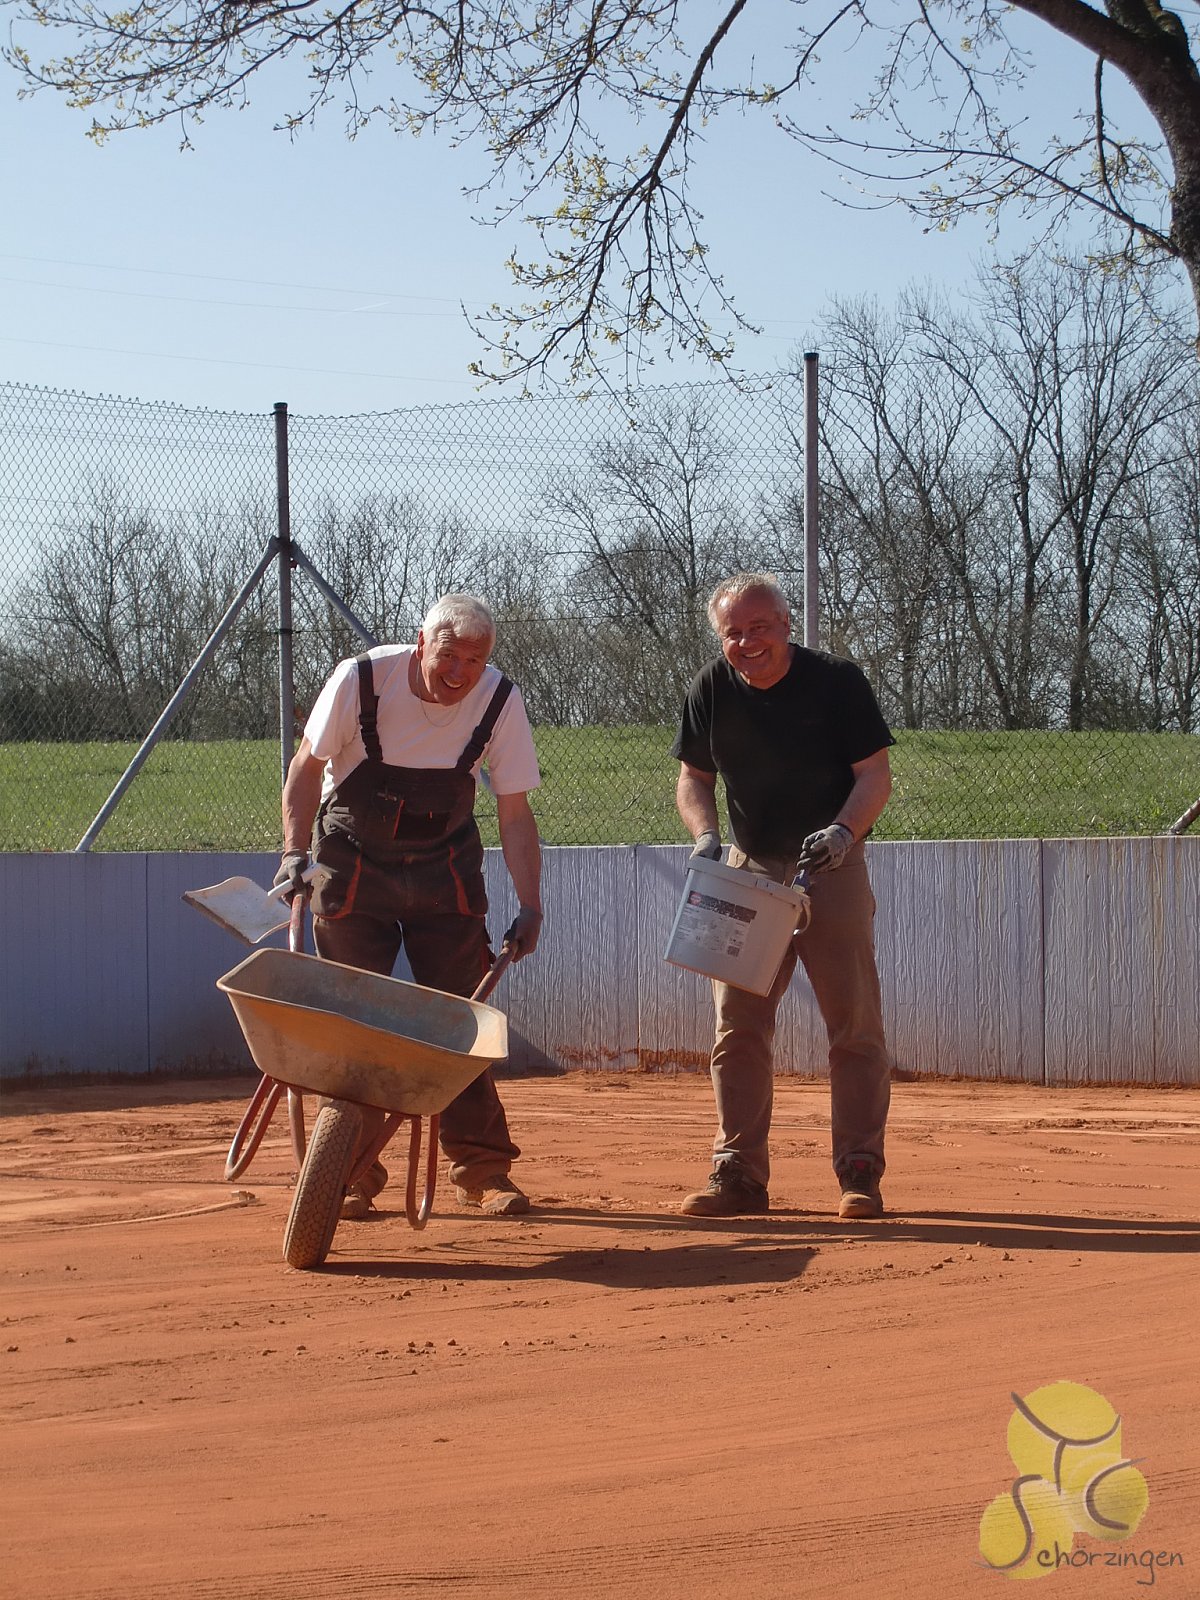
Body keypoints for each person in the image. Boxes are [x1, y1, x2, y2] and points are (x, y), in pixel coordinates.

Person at [275, 593, 543, 1220]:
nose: (460, 672)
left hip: (443, 870)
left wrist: (531, 904)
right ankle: (348, 1173)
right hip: (352, 866)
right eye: (449, 656)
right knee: (356, 1024)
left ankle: (482, 1170)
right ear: (421, 644)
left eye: (474, 661)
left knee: (459, 1020)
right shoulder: (362, 679)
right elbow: (307, 769)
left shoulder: (499, 699)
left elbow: (514, 811)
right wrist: (293, 853)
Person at [672, 572, 895, 1221]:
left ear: (786, 625)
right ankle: (737, 1173)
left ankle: (860, 1171)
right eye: (733, 632)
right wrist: (705, 836)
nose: (747, 642)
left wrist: (843, 833)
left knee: (854, 1027)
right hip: (746, 871)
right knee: (737, 1026)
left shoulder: (838, 682)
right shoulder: (712, 687)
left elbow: (874, 775)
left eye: (759, 628)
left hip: (831, 867)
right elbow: (692, 778)